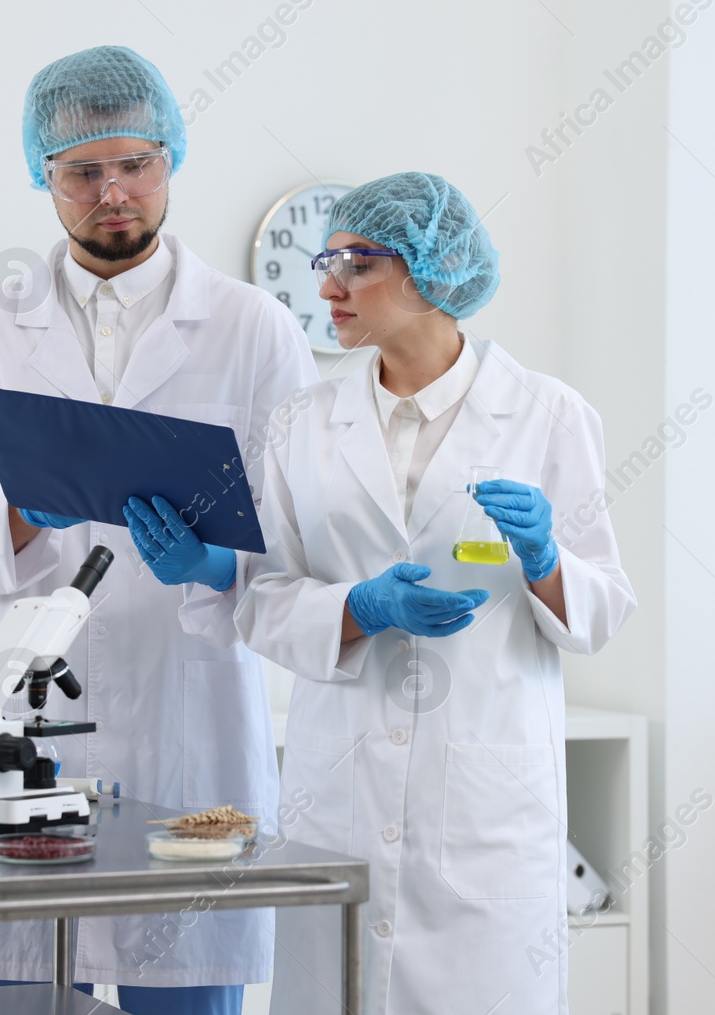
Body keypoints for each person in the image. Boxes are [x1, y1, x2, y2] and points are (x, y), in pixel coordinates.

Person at [0, 45, 316, 1015]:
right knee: (20, 987)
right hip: (28, 702)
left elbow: (304, 523)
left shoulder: (255, 329)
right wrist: (14, 512)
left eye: (135, 164)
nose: (111, 190)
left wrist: (218, 563)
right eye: (82, 170)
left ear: (171, 159)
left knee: (188, 976)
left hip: (191, 704)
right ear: (43, 174)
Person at [234, 172, 636, 1015]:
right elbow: (261, 595)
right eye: (325, 259)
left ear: (428, 271)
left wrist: (545, 557)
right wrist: (359, 607)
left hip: (484, 807)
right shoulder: (299, 422)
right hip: (336, 795)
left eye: (356, 262)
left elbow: (604, 608)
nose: (328, 284)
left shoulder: (548, 415)